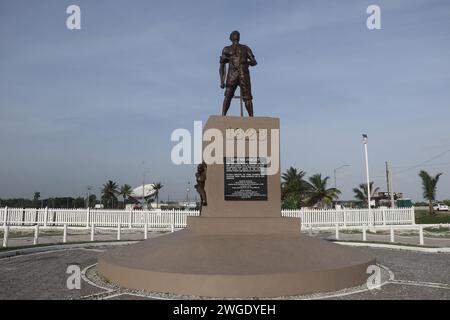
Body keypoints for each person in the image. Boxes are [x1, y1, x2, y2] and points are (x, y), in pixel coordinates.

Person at [220, 30, 257, 117]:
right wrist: (222, 81)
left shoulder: (246, 48)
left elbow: (254, 62)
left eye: (237, 34)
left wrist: (246, 63)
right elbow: (222, 66)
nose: (236, 36)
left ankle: (251, 117)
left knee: (247, 97)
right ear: (231, 38)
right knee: (228, 94)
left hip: (243, 74)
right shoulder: (226, 49)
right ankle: (223, 115)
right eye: (234, 34)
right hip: (232, 75)